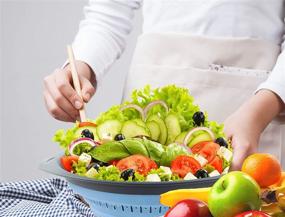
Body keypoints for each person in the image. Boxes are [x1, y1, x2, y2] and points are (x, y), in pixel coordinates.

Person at [43, 0, 285, 170]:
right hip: (151, 104)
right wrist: (80, 65)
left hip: (252, 106)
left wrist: (262, 107)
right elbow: (108, 13)